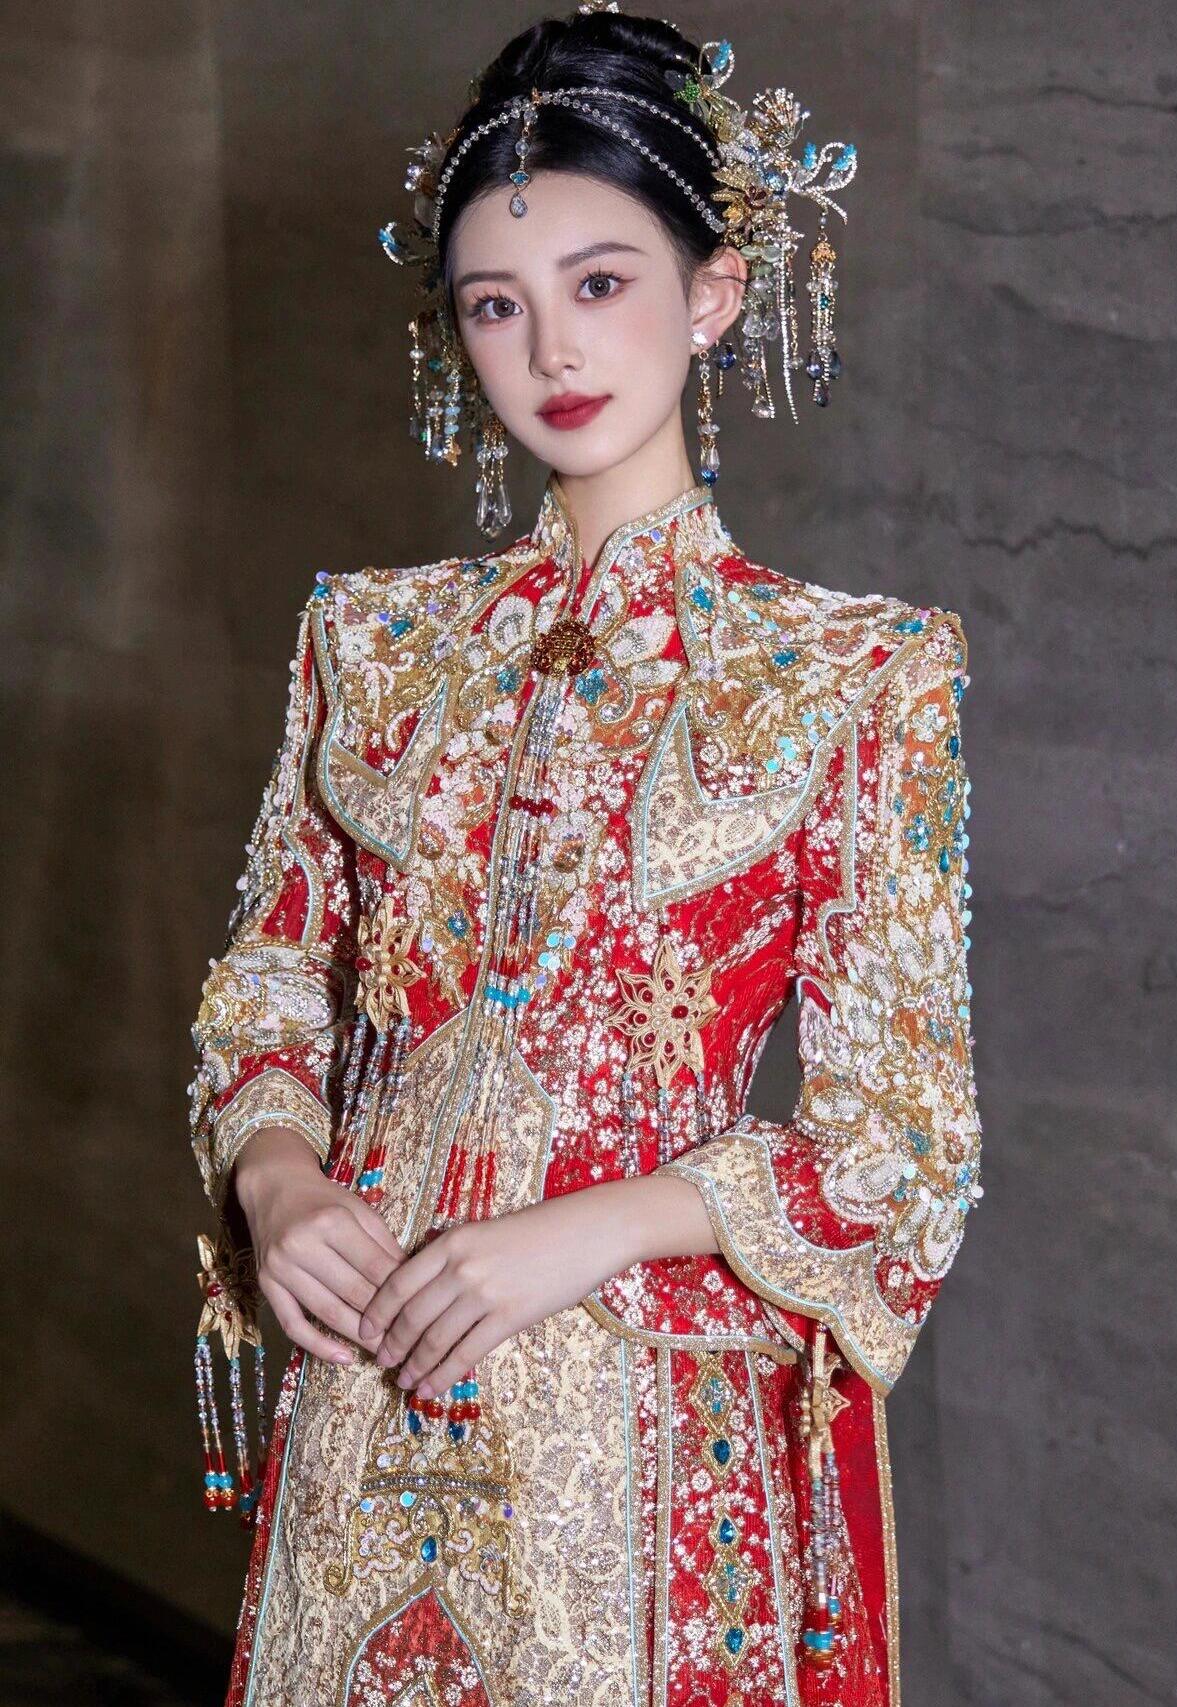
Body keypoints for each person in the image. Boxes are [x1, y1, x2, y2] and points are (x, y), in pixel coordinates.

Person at [187, 6, 984, 1704]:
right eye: (496, 303)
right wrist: (277, 1177)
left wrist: (598, 1228)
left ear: (716, 293)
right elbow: (270, 979)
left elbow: (906, 1141)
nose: (551, 345)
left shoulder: (855, 676)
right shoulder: (371, 647)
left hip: (653, 1449)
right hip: (364, 1405)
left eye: (601, 282)